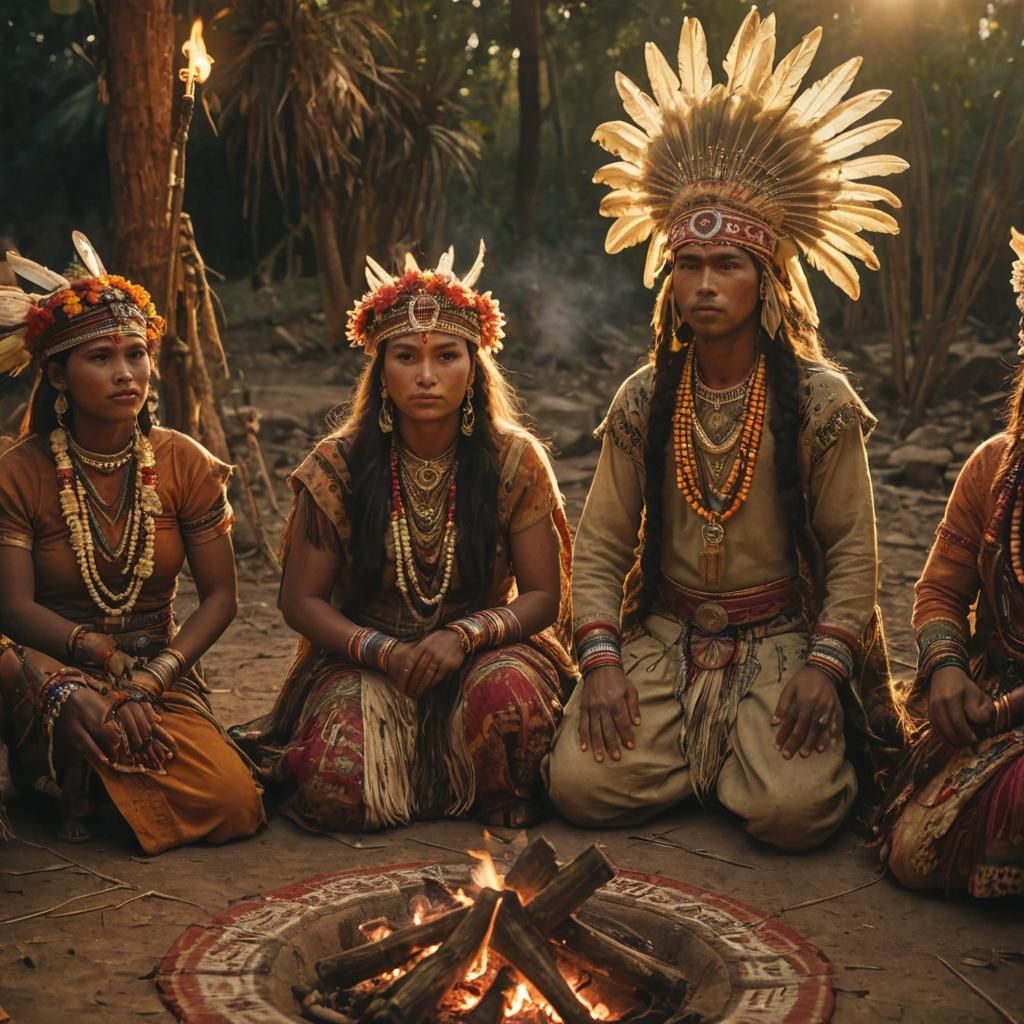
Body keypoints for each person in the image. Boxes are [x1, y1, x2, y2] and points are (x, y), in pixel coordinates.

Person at [544, 10, 907, 851]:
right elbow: (597, 550)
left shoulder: (820, 400)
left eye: (727, 265)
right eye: (688, 265)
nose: (704, 283)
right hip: (667, 638)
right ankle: (707, 761)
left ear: (769, 278)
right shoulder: (644, 398)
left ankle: (743, 765)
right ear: (670, 279)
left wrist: (824, 667)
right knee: (578, 788)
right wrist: (600, 663)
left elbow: (854, 553)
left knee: (793, 814)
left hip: (778, 639)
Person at [233, 244, 573, 831]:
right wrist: (385, 651)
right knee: (339, 784)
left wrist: (463, 637)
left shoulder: (514, 459)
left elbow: (543, 596)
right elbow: (299, 602)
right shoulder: (337, 464)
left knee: (510, 706)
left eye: (446, 356)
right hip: (363, 657)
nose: (425, 375)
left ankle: (475, 781)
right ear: (381, 371)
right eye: (406, 356)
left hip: (484, 655)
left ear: (474, 368)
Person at [0, 234, 264, 852]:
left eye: (137, 354)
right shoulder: (19, 471)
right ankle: (64, 750)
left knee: (235, 804)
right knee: (81, 715)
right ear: (58, 376)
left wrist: (148, 681)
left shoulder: (185, 463)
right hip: (48, 664)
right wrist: (84, 667)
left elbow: (221, 597)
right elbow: (11, 610)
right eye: (101, 358)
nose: (126, 373)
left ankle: (86, 782)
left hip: (156, 670)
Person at [875, 230, 1024, 897]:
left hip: (1009, 714)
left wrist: (1004, 713)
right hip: (993, 696)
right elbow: (938, 590)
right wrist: (947, 669)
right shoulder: (995, 467)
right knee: (915, 850)